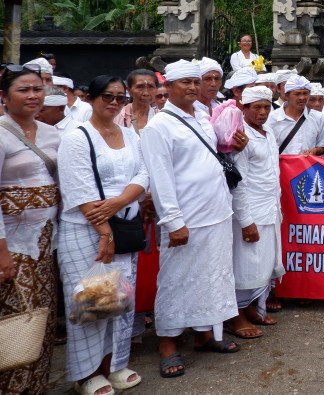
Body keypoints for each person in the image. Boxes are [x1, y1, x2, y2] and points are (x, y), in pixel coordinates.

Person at [139, 59, 249, 378]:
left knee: (213, 276)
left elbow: (216, 153)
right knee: (176, 280)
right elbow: (159, 178)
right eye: (183, 82)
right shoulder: (158, 127)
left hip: (216, 211)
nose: (191, 87)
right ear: (169, 88)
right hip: (186, 217)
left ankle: (204, 334)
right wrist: (173, 222)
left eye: (194, 81)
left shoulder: (202, 115)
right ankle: (168, 343)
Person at [57, 75, 148, 394]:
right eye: (107, 96)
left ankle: (115, 364)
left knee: (119, 301)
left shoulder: (129, 134)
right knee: (94, 301)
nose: (113, 102)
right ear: (92, 98)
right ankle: (88, 372)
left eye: (120, 98)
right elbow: (78, 186)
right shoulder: (77, 136)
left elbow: (142, 173)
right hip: (88, 230)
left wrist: (120, 202)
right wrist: (104, 232)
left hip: (123, 220)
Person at [0, 65, 61, 395]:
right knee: (14, 319)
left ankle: (36, 387)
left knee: (42, 317)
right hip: (12, 244)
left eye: (37, 89)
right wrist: (2, 252)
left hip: (46, 240)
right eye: (23, 90)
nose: (33, 95)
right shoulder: (1, 133)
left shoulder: (52, 133)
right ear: (4, 97)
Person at [224, 85, 283, 340]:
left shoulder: (268, 132)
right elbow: (239, 181)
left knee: (263, 264)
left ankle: (249, 307)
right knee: (245, 264)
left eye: (266, 107)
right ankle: (234, 315)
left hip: (270, 208)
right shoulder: (239, 135)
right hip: (249, 211)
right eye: (256, 107)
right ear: (243, 108)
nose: (262, 112)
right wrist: (246, 221)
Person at [267, 76, 324, 157]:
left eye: (305, 93)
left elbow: (323, 145)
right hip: (280, 167)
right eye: (297, 94)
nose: (302, 97)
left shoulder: (318, 117)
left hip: (307, 167)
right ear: (286, 96)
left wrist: (315, 150)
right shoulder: (272, 118)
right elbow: (266, 146)